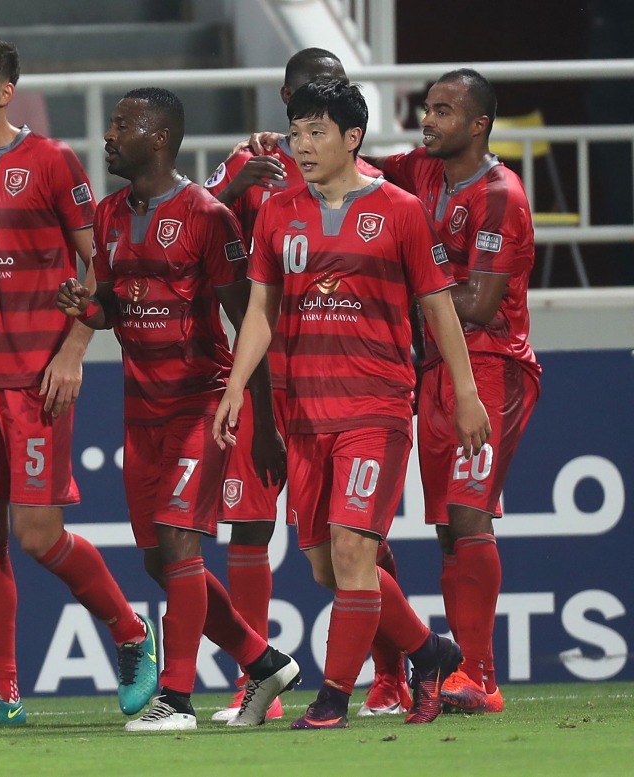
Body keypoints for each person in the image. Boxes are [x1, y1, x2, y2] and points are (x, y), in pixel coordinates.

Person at [212, 79, 491, 729]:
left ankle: (334, 694)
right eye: (296, 131)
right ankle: (430, 649)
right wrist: (235, 385)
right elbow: (260, 310)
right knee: (324, 565)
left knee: (350, 551)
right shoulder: (279, 211)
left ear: (352, 138)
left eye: (316, 132)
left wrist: (468, 392)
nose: (301, 145)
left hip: (376, 407)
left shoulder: (398, 209)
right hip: (305, 413)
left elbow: (439, 308)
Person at [0, 33, 158, 725]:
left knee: (37, 535)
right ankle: (0, 690)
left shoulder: (52, 162)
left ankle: (131, 633)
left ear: (4, 92)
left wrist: (74, 348)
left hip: (38, 378)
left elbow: (104, 261)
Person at [57, 87, 299, 732]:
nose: (108, 137)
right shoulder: (108, 216)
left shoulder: (207, 217)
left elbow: (249, 322)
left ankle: (177, 698)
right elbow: (110, 309)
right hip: (143, 411)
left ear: (159, 137)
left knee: (177, 543)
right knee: (159, 561)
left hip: (204, 403)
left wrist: (265, 427)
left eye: (121, 126)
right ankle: (262, 658)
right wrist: (82, 308)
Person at [206, 48, 412, 721]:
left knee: (360, 544)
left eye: (322, 109)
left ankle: (387, 675)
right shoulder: (249, 167)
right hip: (268, 379)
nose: (303, 130)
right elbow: (188, 223)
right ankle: (255, 678)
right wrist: (234, 192)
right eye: (297, 108)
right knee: (256, 527)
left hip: (351, 389)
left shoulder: (377, 189)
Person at [370, 69, 540, 714]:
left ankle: (482, 676)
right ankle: (462, 674)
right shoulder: (422, 170)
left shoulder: (502, 195)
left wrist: (405, 282)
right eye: (427, 108)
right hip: (436, 368)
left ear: (479, 124)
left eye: (443, 111)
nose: (428, 119)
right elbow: (356, 168)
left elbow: (478, 301)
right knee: (445, 526)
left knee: (470, 515)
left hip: (491, 366)